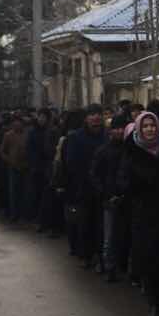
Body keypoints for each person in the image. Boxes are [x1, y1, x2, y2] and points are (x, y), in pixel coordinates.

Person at [116, 110, 159, 316]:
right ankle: (154, 302)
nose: (150, 129)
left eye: (153, 125)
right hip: (144, 213)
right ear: (139, 129)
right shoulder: (131, 151)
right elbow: (123, 182)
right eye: (145, 126)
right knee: (149, 258)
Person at [61, 104, 107, 267]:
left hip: (103, 188)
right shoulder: (76, 137)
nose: (96, 117)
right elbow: (71, 163)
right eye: (92, 114)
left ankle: (101, 256)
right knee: (85, 223)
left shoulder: (107, 136)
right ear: (86, 118)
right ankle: (87, 255)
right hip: (83, 187)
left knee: (102, 225)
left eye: (98, 114)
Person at [92, 112, 130, 281]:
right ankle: (109, 266)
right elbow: (95, 175)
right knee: (109, 236)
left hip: (127, 198)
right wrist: (105, 193)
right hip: (109, 199)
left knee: (125, 234)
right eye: (117, 128)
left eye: (122, 128)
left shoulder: (130, 149)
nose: (120, 131)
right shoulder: (103, 151)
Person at [0, 113, 29, 222]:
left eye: (19, 122)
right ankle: (14, 214)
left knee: (25, 191)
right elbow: (2, 151)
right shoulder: (8, 135)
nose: (17, 124)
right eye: (15, 122)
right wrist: (9, 160)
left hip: (25, 167)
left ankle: (24, 213)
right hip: (13, 167)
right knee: (13, 192)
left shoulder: (27, 134)